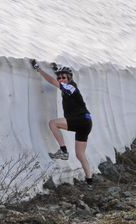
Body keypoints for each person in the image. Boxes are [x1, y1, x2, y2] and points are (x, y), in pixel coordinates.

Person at [30, 59, 93, 190]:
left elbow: (54, 82)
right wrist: (56, 69)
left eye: (64, 77)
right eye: (59, 77)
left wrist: (39, 70)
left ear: (69, 78)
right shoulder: (69, 85)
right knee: (80, 155)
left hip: (80, 120)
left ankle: (63, 151)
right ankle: (90, 182)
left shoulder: (71, 87)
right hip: (86, 123)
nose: (61, 79)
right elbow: (59, 80)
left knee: (53, 123)